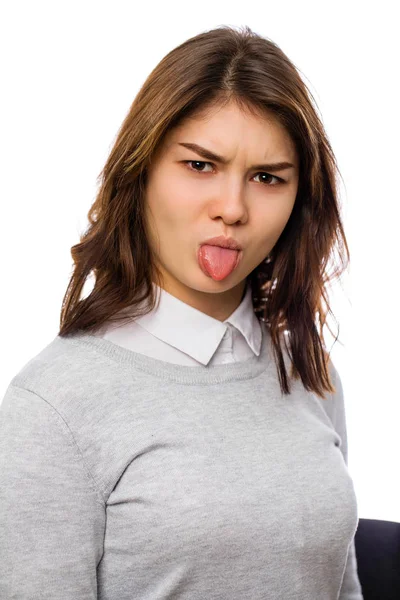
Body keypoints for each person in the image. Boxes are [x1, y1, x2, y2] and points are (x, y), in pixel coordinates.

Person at [0, 25, 363, 599]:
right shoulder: (53, 404)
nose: (232, 208)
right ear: (140, 172)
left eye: (267, 178)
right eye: (200, 166)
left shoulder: (308, 371)